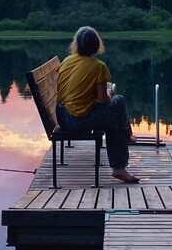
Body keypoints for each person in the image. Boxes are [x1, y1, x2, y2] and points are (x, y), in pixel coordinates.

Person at [56, 26, 139, 183]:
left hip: (63, 116)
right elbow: (102, 101)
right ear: (96, 45)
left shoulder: (67, 61)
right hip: (77, 121)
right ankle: (119, 167)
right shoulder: (98, 66)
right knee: (116, 108)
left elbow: (76, 91)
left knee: (117, 104)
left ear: (77, 44)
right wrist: (109, 93)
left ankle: (126, 136)